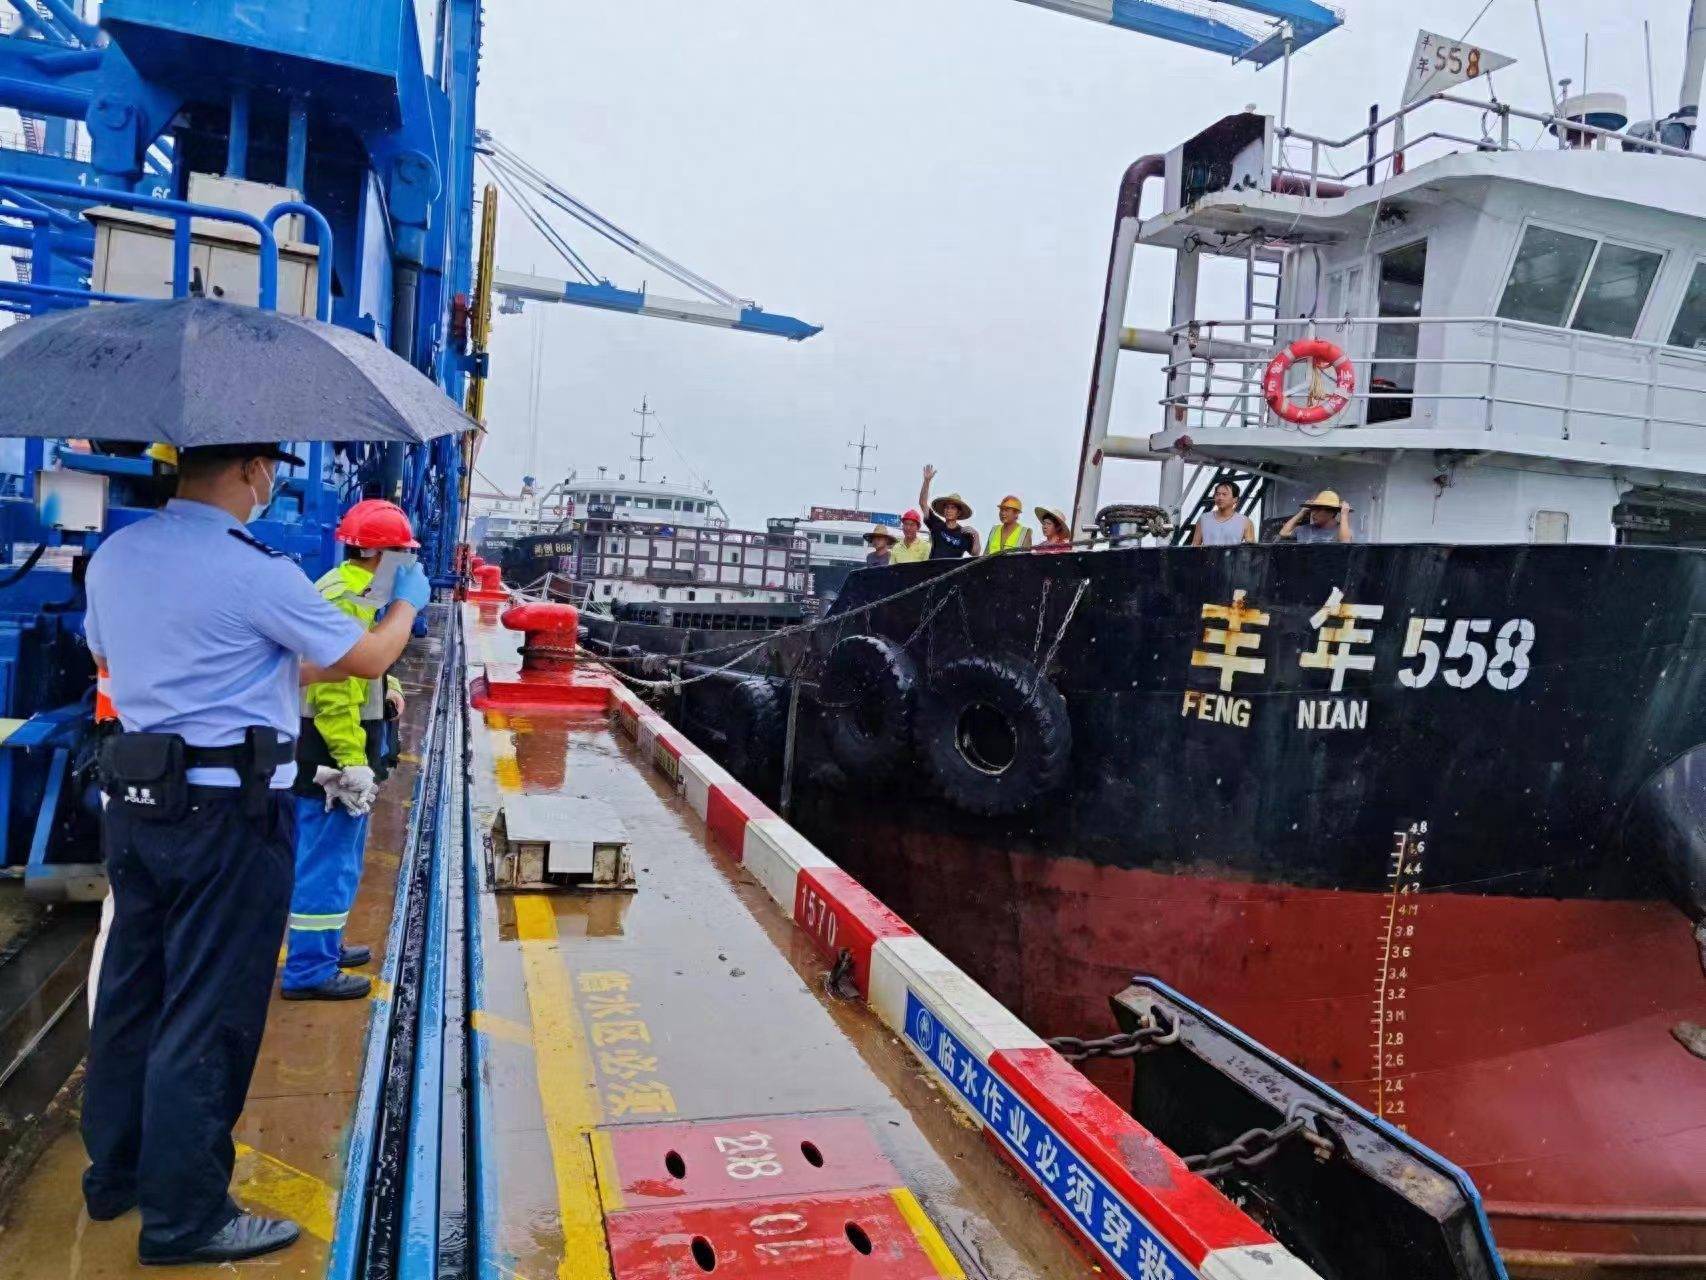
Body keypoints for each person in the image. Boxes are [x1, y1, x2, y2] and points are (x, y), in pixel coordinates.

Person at [80, 443, 432, 1266]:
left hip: (137, 803)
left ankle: (117, 1177)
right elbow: (371, 658)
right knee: (208, 1012)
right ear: (245, 469)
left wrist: (250, 676)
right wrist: (403, 606)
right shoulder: (258, 570)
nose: (271, 483)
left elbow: (115, 657)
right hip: (228, 819)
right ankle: (188, 1218)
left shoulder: (118, 553)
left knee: (135, 995)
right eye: (268, 468)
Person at [281, 499, 417, 1002]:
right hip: (334, 752)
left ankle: (326, 945)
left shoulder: (353, 592)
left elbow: (368, 659)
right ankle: (309, 969)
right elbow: (334, 690)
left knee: (338, 857)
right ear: (382, 554)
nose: (410, 566)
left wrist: (392, 684)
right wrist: (351, 761)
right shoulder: (347, 600)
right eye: (403, 555)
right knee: (327, 861)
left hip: (341, 746)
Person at [918, 465, 980, 559]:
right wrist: (927, 481)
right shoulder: (936, 524)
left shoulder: (964, 534)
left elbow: (975, 554)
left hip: (953, 573)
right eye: (947, 507)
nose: (948, 510)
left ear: (958, 513)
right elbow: (922, 503)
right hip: (933, 571)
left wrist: (976, 535)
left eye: (952, 508)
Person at [1192, 480, 1256, 546]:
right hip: (1207, 556)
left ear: (1235, 499)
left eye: (1224, 494)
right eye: (1217, 494)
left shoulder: (1245, 522)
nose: (1220, 498)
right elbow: (1194, 548)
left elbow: (1251, 551)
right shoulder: (1204, 519)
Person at [1278, 490, 1354, 544]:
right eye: (1312, 510)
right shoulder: (1304, 529)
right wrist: (1302, 512)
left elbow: (1345, 543)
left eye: (1317, 510)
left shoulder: (1342, 531)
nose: (1313, 514)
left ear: (1331, 513)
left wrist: (1344, 515)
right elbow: (1283, 533)